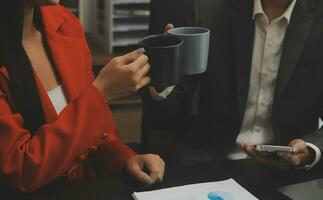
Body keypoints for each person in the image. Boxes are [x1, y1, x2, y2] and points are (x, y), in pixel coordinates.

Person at [0, 0, 165, 192]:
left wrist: (124, 158)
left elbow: (95, 133)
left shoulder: (64, 22)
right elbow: (20, 170)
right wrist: (100, 94)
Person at [143, 0, 323, 170]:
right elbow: (175, 100)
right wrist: (164, 73)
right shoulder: (211, 11)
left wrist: (310, 149)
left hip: (286, 166)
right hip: (212, 160)